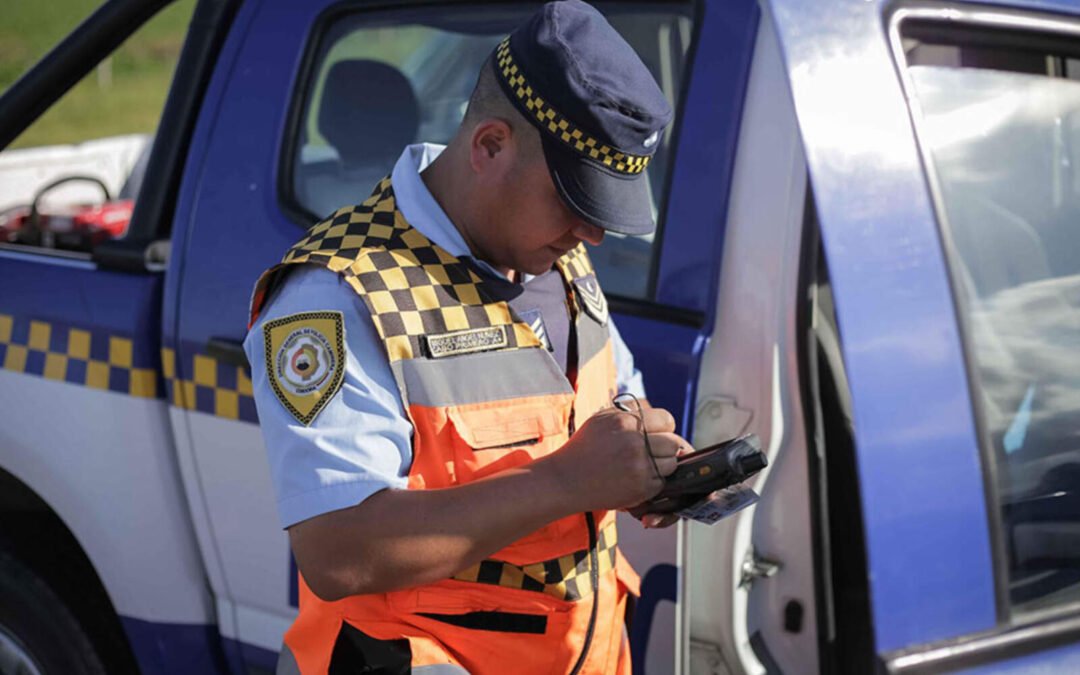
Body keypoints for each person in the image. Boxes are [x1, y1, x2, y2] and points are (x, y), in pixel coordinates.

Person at [244, 1, 691, 672]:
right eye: (577, 200)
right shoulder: (337, 294)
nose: (592, 233)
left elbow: (607, 400)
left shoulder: (552, 249)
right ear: (488, 146)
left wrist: (644, 456)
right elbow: (336, 549)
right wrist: (568, 480)